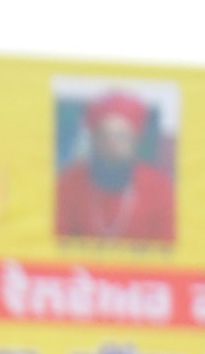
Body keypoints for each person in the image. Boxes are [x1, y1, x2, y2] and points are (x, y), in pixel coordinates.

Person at [55, 85, 176, 244]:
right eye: (105, 136)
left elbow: (168, 249)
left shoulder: (160, 188)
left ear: (135, 142)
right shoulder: (68, 183)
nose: (112, 144)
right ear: (94, 140)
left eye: (121, 136)